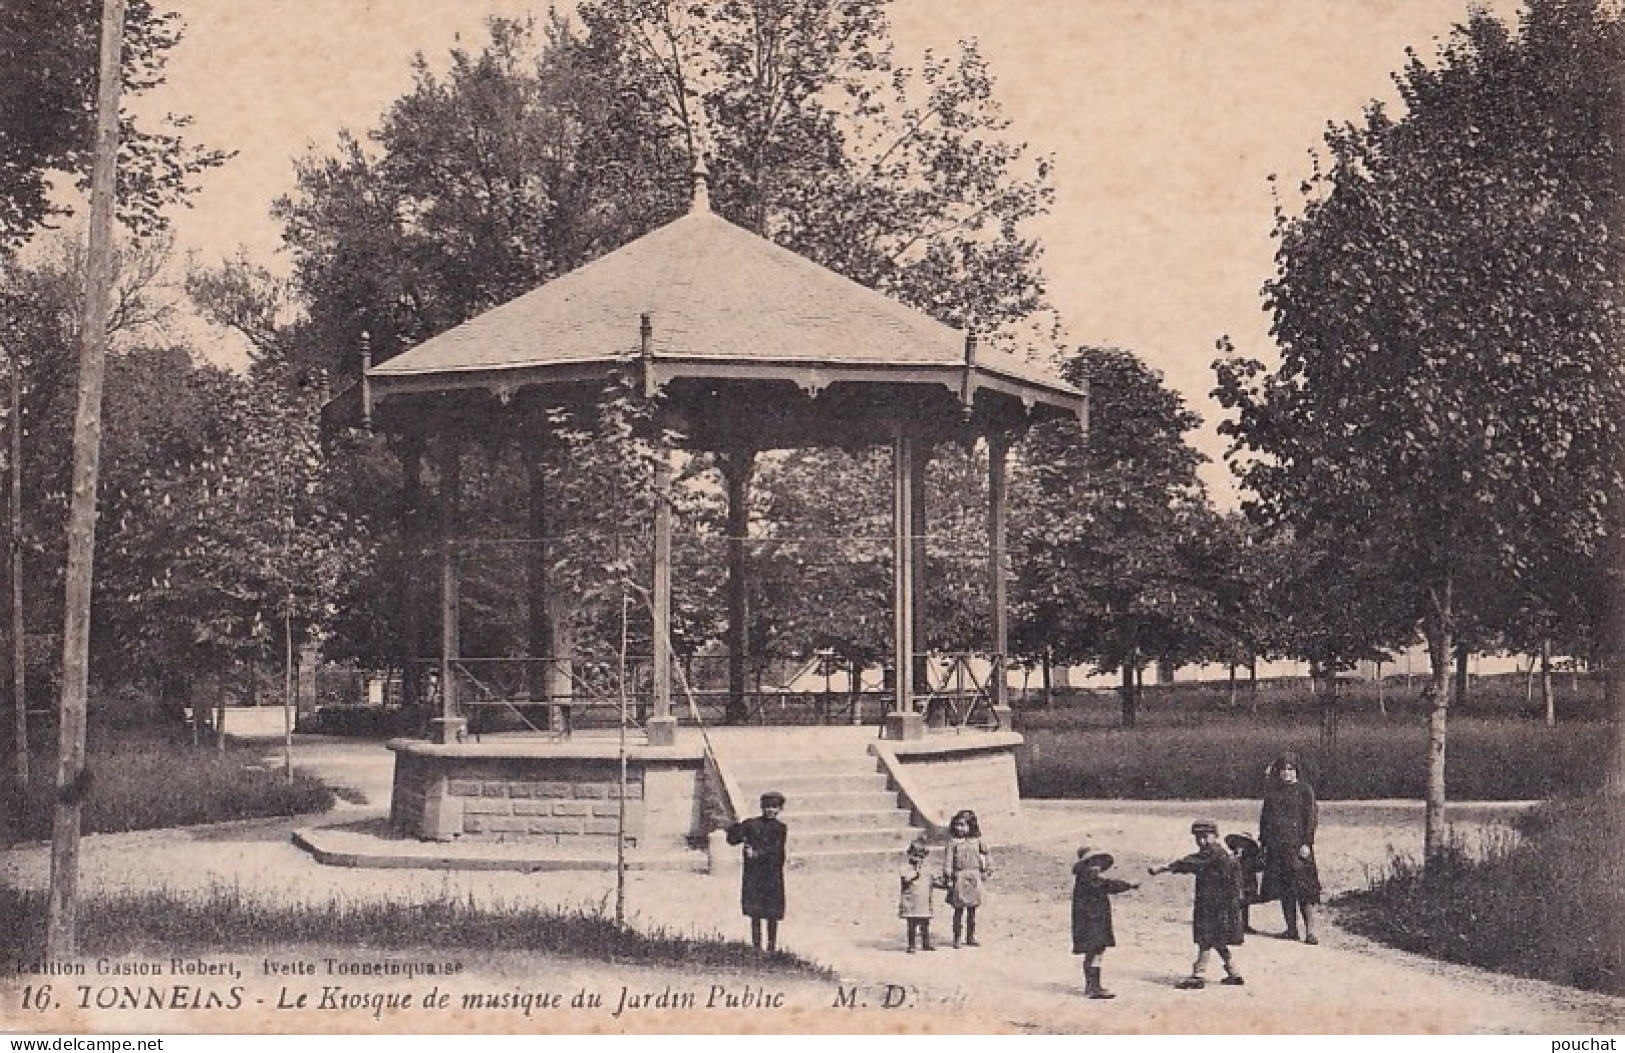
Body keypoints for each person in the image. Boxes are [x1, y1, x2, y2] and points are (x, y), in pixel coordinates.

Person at [1149, 820, 1246, 989]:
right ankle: (1233, 972)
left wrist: (1164, 868)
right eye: (1198, 837)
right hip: (1217, 903)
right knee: (1217, 940)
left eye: (1205, 837)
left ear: (1215, 836)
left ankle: (1198, 975)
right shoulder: (1216, 853)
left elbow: (1190, 863)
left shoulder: (1214, 853)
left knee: (1206, 938)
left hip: (1213, 904)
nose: (1201, 841)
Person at [1258, 752, 1322, 944]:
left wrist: (1307, 842)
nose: (1287, 773)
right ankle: (1291, 929)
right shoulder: (1272, 793)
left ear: (1297, 771)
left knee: (1304, 889)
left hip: (1298, 847)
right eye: (1283, 769)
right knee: (1285, 889)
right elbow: (1265, 820)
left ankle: (1310, 931)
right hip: (1277, 847)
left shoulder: (1305, 790)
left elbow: (1311, 818)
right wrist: (1264, 842)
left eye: (1290, 769)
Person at [1071, 847, 1138, 999]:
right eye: (1092, 863)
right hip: (1092, 923)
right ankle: (1094, 987)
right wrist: (1129, 885)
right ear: (1085, 866)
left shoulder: (1085, 879)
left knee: (1094, 952)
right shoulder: (1089, 880)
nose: (1097, 867)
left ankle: (1092, 985)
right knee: (1095, 952)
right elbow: (1109, 885)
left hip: (1094, 921)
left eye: (1098, 863)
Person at [726, 790, 788, 951]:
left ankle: (771, 947)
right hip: (754, 876)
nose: (771, 810)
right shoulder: (751, 824)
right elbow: (732, 840)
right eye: (768, 807)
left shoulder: (780, 828)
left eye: (775, 807)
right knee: (756, 912)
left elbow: (775, 850)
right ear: (762, 807)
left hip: (772, 876)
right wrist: (734, 826)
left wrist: (757, 853)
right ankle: (756, 947)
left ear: (780, 809)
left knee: (772, 914)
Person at [942, 809, 991, 948]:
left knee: (972, 910)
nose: (960, 828)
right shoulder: (953, 843)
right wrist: (948, 876)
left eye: (963, 825)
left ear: (971, 825)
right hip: (959, 877)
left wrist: (987, 870)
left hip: (974, 877)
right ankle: (957, 937)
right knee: (958, 909)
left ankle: (970, 936)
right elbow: (948, 860)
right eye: (957, 824)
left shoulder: (978, 841)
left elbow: (987, 855)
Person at [898, 840, 938, 953]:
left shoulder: (927, 868)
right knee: (912, 925)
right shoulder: (905, 867)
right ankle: (911, 945)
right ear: (909, 854)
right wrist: (916, 872)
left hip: (924, 901)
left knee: (925, 924)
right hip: (911, 902)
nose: (918, 859)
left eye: (921, 856)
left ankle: (926, 943)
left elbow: (932, 880)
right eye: (915, 855)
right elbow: (906, 878)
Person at [1225, 832, 1265, 934]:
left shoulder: (1251, 859)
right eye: (1239, 844)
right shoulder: (1232, 857)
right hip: (1236, 884)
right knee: (1236, 905)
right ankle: (1235, 925)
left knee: (1245, 905)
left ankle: (1245, 924)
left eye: (1244, 844)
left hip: (1248, 883)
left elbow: (1259, 866)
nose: (1241, 847)